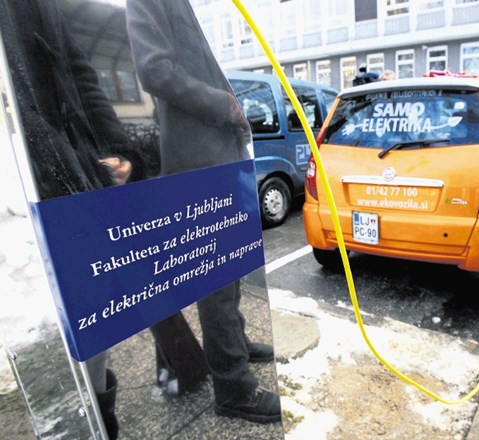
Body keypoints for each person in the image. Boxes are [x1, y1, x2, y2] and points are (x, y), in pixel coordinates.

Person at [126, 0, 281, 424]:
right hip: (198, 160)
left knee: (230, 269)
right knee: (216, 278)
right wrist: (223, 105)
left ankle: (233, 347)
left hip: (216, 155)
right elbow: (154, 69)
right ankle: (233, 387)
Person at [0, 1, 146, 438]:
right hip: (26, 183)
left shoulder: (41, 7)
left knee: (91, 320)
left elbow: (81, 78)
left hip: (67, 178)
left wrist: (117, 151)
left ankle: (100, 420)